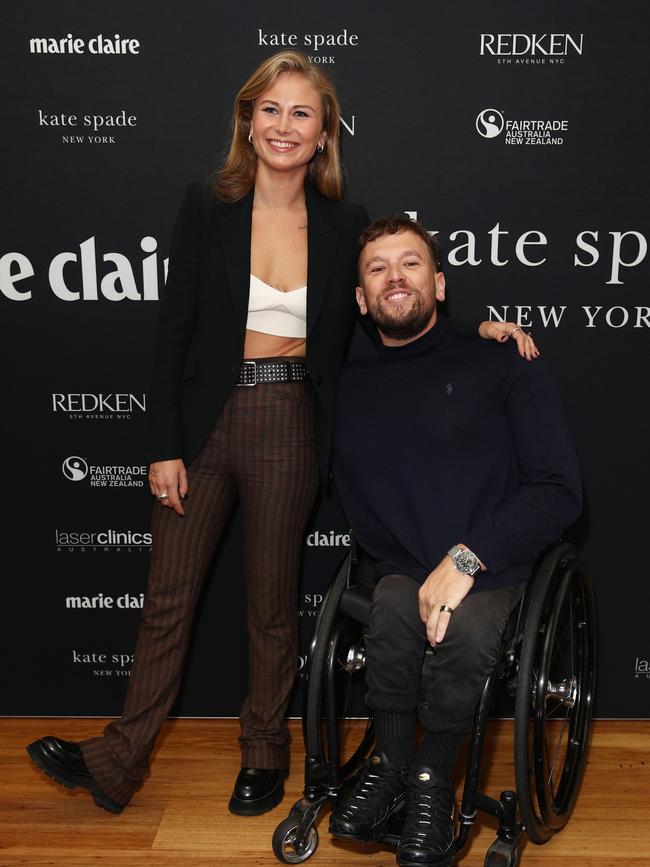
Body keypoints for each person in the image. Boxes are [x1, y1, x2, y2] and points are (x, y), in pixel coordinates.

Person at [26, 52, 536, 819]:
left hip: (287, 420)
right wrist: (164, 442)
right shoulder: (208, 204)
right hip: (204, 421)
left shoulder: (341, 223)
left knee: (270, 602)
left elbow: (387, 303)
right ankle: (118, 759)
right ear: (247, 120)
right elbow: (173, 333)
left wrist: (474, 330)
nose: (284, 125)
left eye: (302, 112)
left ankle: (264, 751)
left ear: (325, 131)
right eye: (270, 109)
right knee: (167, 595)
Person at [328, 217, 582, 866]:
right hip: (401, 565)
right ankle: (390, 765)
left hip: (491, 564)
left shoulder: (505, 363)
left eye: (410, 264)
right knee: (388, 607)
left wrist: (466, 559)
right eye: (377, 268)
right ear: (360, 298)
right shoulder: (345, 385)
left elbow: (559, 489)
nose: (394, 278)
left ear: (439, 283)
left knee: (467, 631)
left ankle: (430, 780)